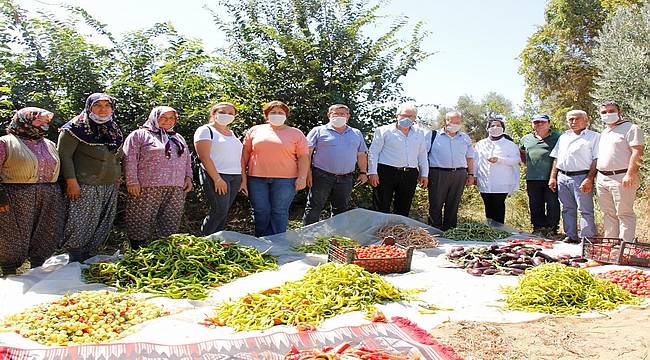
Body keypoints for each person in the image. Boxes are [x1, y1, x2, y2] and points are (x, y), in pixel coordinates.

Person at [58, 93, 123, 262]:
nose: (103, 109)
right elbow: (64, 156)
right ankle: (75, 257)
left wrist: (117, 177)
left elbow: (116, 156)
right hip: (85, 184)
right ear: (89, 107)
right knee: (81, 221)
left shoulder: (112, 127)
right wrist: (71, 182)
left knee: (102, 221)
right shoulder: (74, 128)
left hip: (108, 184)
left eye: (107, 106)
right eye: (98, 105)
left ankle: (88, 255)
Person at [0, 108, 64, 276]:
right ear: (24, 121)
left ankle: (37, 268)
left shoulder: (49, 144)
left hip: (49, 194)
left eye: (45, 122)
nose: (43, 125)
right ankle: (9, 270)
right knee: (12, 233)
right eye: (39, 121)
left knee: (45, 231)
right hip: (16, 195)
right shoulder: (6, 142)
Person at [122, 106, 193, 248]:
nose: (168, 121)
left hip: (176, 186)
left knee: (170, 220)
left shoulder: (177, 137)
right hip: (146, 186)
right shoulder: (140, 135)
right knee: (140, 219)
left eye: (172, 118)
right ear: (154, 117)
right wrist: (131, 181)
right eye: (163, 118)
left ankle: (165, 251)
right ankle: (138, 251)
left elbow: (186, 160)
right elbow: (129, 158)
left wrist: (188, 177)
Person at [241, 101, 310, 237]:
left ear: (286, 115)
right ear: (266, 115)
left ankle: (278, 243)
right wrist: (243, 180)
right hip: (256, 179)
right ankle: (261, 241)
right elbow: (244, 156)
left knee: (279, 211)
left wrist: (302, 177)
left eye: (280, 112)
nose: (277, 115)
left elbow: (303, 157)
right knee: (261, 211)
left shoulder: (296, 133)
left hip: (286, 181)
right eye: (273, 112)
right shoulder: (255, 130)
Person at [302, 104, 368, 225]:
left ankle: (336, 237)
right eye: (335, 113)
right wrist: (307, 173)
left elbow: (361, 154)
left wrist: (363, 172)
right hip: (321, 176)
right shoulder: (318, 131)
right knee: (314, 206)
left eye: (342, 114)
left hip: (346, 178)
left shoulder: (356, 133)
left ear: (348, 116)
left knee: (341, 209)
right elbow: (306, 153)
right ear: (329, 115)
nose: (339, 116)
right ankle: (307, 237)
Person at [596, 101, 644, 242]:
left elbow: (637, 152)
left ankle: (625, 246)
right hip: (603, 178)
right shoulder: (605, 131)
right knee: (608, 213)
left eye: (611, 111)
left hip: (622, 176)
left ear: (619, 112)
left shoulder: (631, 128)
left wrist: (630, 174)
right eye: (604, 112)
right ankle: (610, 245)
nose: (607, 114)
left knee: (624, 213)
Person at [548, 110, 599, 243]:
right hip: (563, 177)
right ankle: (571, 235)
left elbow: (596, 159)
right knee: (567, 208)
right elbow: (557, 158)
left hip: (581, 176)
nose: (573, 122)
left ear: (586, 120)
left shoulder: (593, 137)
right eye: (570, 119)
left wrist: (589, 178)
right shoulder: (564, 137)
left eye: (577, 119)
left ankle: (587, 238)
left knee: (585, 209)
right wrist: (553, 177)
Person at [194, 102, 243, 235]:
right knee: (218, 210)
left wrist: (242, 179)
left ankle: (216, 241)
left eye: (230, 113)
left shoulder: (233, 133)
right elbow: (204, 157)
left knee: (224, 210)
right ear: (213, 114)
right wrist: (217, 179)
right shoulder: (205, 130)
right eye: (222, 112)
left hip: (235, 176)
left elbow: (239, 157)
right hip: (217, 175)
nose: (226, 115)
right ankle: (204, 241)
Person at [427, 111, 475, 230]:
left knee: (453, 204)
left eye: (457, 122)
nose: (454, 124)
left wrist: (471, 174)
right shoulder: (433, 135)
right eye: (452, 121)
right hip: (438, 173)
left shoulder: (465, 138)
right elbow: (423, 155)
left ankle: (450, 230)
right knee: (436, 204)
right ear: (445, 121)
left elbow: (469, 158)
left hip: (459, 174)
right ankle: (435, 230)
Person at [519, 114, 561, 237]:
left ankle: (552, 228)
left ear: (549, 123)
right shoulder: (526, 139)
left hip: (552, 177)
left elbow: (560, 156)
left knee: (552, 203)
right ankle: (538, 228)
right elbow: (522, 153)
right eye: (536, 122)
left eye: (542, 122)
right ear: (532, 124)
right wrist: (529, 165)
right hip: (532, 178)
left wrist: (554, 176)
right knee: (535, 203)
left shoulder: (558, 137)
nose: (539, 124)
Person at [473, 116, 520, 224]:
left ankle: (499, 230)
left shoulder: (509, 144)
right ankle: (490, 230)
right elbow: (475, 160)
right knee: (488, 206)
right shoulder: (481, 144)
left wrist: (499, 160)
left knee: (498, 206)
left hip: (501, 182)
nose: (495, 127)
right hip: (485, 181)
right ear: (488, 128)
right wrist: (474, 176)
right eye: (492, 126)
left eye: (498, 125)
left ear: (503, 128)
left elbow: (515, 160)